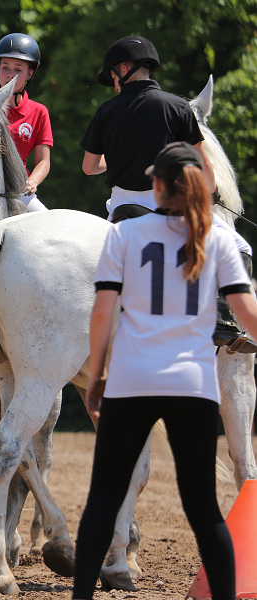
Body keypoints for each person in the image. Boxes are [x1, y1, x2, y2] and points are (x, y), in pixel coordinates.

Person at [74, 142, 257, 600]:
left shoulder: (125, 234)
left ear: (158, 186)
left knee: (102, 501)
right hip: (193, 387)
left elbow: (101, 313)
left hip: (131, 381)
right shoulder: (218, 239)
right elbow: (247, 316)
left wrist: (96, 375)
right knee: (204, 511)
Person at [80, 35, 254, 352]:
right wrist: (210, 194)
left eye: (113, 79)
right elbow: (203, 166)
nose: (114, 86)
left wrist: (119, 159)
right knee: (239, 245)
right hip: (170, 210)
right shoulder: (177, 107)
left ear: (123, 69)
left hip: (121, 211)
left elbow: (90, 167)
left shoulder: (106, 111)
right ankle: (225, 320)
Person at [0, 33, 52, 212]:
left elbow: (43, 161)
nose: (10, 75)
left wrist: (32, 182)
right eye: (5, 67)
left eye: (18, 69)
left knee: (47, 223)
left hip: (19, 190)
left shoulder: (38, 112)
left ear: (30, 73)